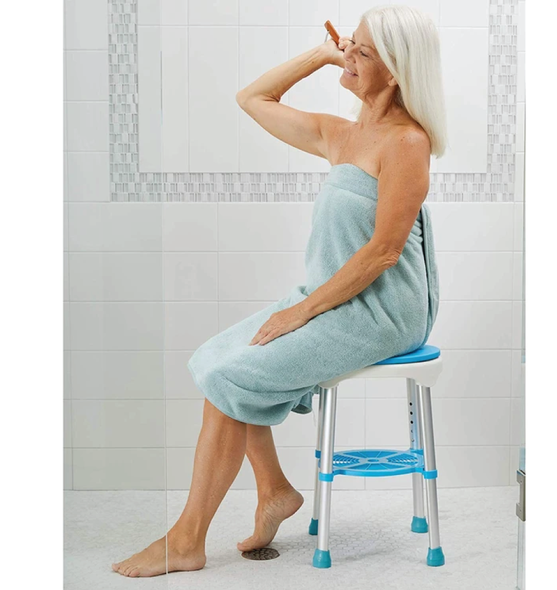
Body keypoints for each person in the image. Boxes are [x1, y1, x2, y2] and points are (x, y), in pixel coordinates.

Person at [111, 4, 446, 577]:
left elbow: (384, 252)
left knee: (231, 374)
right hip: (332, 294)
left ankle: (187, 539)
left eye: (361, 52)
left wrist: (300, 313)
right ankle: (273, 492)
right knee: (215, 359)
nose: (349, 55)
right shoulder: (344, 133)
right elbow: (253, 99)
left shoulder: (406, 142)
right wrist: (321, 55)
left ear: (394, 71)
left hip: (384, 311)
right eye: (349, 45)